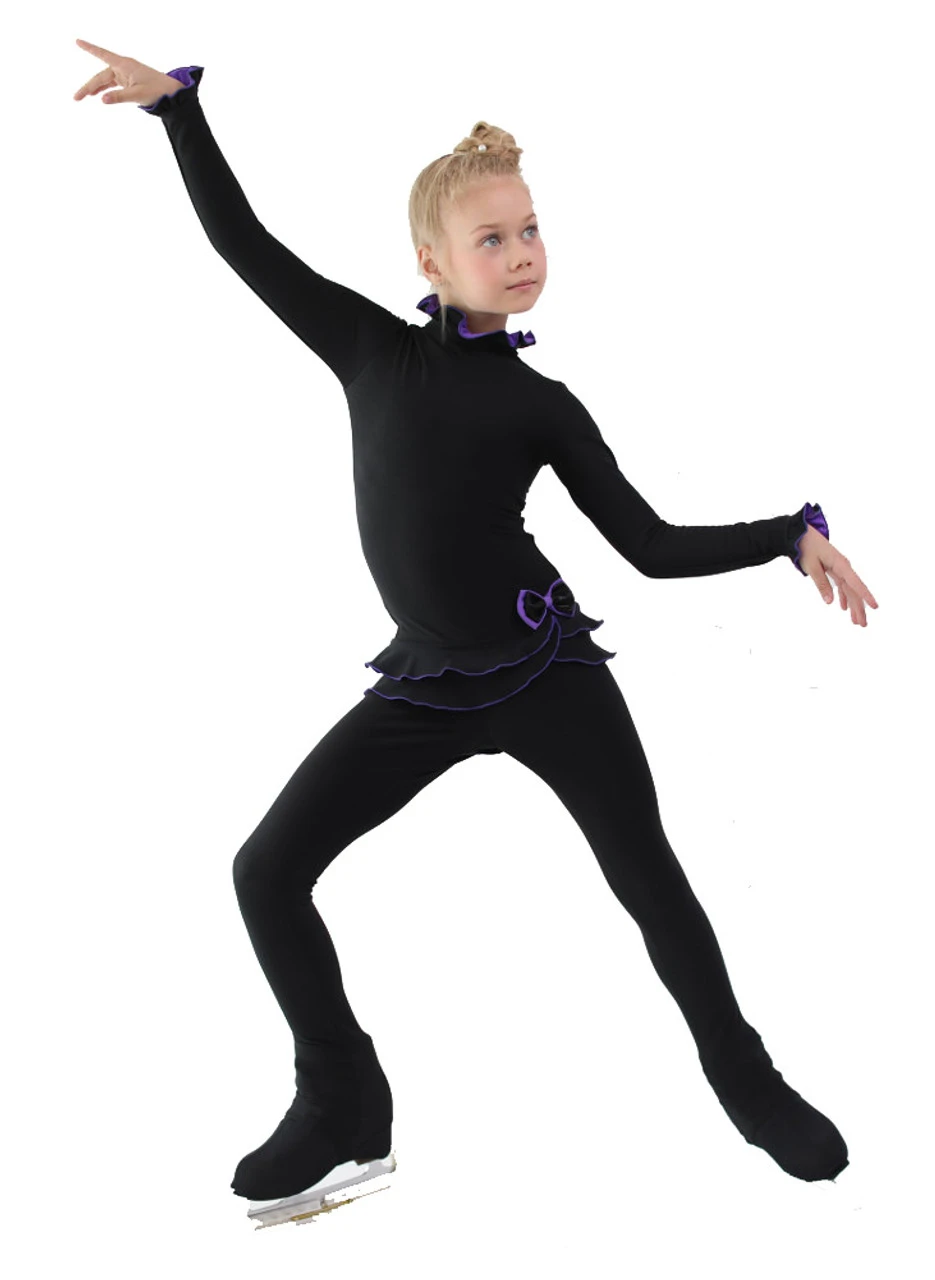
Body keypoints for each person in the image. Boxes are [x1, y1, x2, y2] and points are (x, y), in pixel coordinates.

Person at [73, 39, 879, 1206]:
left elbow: (647, 545)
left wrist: (786, 535)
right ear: (431, 260)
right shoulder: (366, 349)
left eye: (530, 230)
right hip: (427, 682)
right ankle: (344, 1103)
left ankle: (749, 1086)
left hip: (545, 670)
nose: (521, 254)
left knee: (648, 878)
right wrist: (179, 114)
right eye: (492, 238)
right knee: (264, 870)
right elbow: (245, 244)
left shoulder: (541, 404)